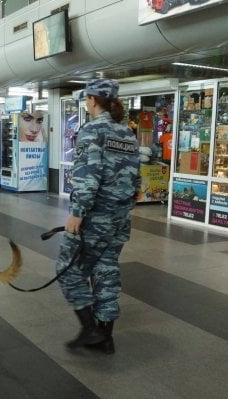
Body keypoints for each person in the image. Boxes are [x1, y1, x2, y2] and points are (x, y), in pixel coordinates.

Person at [55, 79, 141, 354]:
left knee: (67, 270)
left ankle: (90, 329)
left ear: (91, 100)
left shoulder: (92, 131)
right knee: (106, 269)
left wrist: (77, 213)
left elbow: (88, 176)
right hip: (120, 216)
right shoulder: (126, 132)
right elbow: (135, 177)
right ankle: (105, 337)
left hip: (95, 216)